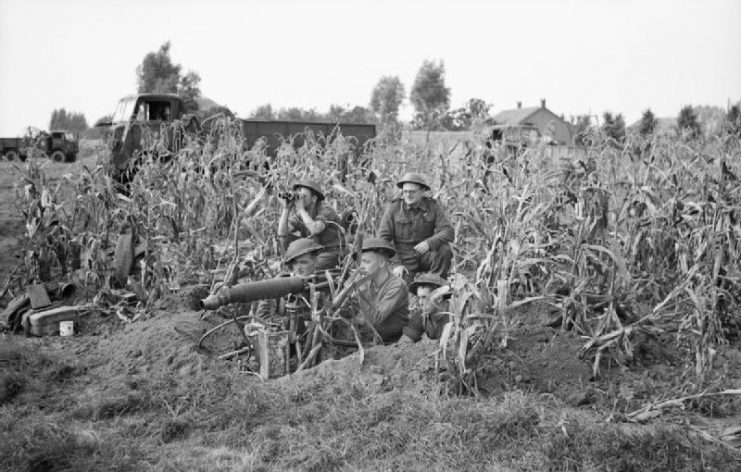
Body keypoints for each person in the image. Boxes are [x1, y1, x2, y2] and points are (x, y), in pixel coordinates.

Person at [378, 172, 454, 285]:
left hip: (425, 255)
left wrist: (429, 243)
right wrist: (396, 264)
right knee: (404, 290)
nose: (408, 195)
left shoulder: (432, 206)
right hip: (403, 259)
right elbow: (383, 239)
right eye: (405, 192)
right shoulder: (394, 208)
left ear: (422, 192)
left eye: (412, 192)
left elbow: (448, 231)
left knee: (444, 249)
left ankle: (436, 285)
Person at [341, 237, 410, 344]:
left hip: (392, 341)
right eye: (360, 263)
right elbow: (351, 308)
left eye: (366, 262)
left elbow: (375, 318)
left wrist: (361, 288)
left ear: (382, 263)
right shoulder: (368, 281)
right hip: (371, 336)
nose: (361, 267)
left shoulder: (397, 286)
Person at [278, 179, 344, 272]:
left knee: (312, 269)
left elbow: (315, 229)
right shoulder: (302, 214)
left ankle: (299, 271)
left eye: (303, 196)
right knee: (285, 238)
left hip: (331, 252)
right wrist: (286, 208)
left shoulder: (326, 210)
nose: (299, 200)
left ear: (314, 198)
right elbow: (282, 232)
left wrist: (301, 209)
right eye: (298, 196)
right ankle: (291, 267)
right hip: (313, 253)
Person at [399, 273, 451, 343]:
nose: (420, 302)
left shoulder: (456, 316)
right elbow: (405, 341)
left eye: (424, 297)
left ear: (439, 298)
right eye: (419, 298)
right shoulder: (421, 315)